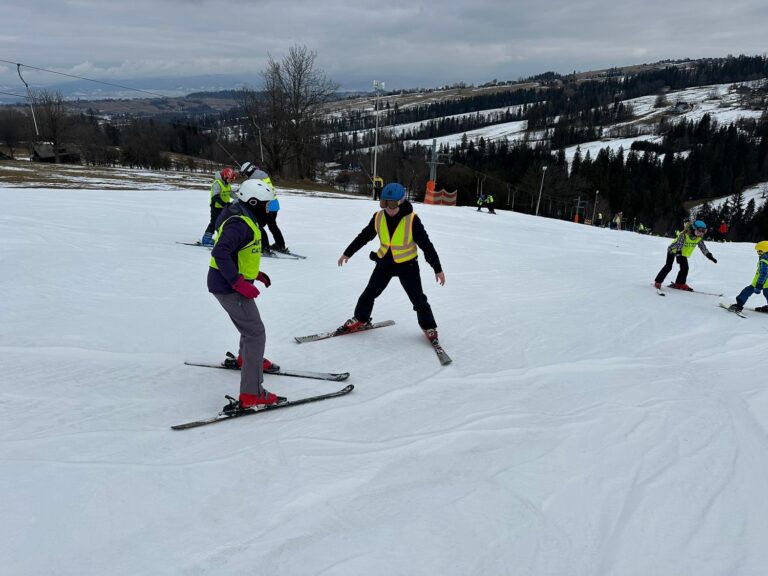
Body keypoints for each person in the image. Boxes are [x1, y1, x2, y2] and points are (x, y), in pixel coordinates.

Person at [207, 178, 285, 411]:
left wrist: (255, 274)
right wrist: (238, 282)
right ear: (253, 202)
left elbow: (239, 253)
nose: (268, 210)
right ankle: (252, 393)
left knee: (248, 327)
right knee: (255, 332)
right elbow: (221, 253)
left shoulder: (244, 217)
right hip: (228, 287)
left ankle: (245, 359)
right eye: (266, 206)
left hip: (228, 284)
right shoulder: (239, 223)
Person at [337, 182, 446, 344]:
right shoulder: (378, 217)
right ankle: (360, 319)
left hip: (407, 266)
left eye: (392, 203)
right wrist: (348, 252)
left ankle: (429, 327)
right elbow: (364, 236)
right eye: (384, 203)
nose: (388, 207)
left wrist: (437, 269)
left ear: (401, 201)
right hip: (384, 265)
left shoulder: (412, 220)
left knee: (418, 300)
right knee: (368, 294)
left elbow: (427, 246)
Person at [240, 162, 290, 254]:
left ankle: (264, 247)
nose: (245, 176)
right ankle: (280, 245)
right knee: (272, 225)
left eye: (245, 174)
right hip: (274, 203)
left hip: (265, 205)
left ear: (249, 170)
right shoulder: (261, 174)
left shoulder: (254, 178)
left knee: (258, 225)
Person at [653, 219, 717, 291]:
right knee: (668, 266)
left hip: (682, 253)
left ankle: (680, 283)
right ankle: (658, 281)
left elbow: (703, 247)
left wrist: (709, 255)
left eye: (703, 231)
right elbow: (679, 244)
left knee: (685, 268)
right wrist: (678, 253)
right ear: (693, 228)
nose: (700, 233)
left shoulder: (699, 238)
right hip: (673, 250)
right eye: (699, 230)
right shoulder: (684, 234)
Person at [727, 241, 768, 313]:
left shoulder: (764, 260)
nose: (758, 253)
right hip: (763, 283)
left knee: (747, 291)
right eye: (758, 252)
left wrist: (759, 285)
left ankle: (738, 306)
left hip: (760, 282)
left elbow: (763, 273)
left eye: (760, 252)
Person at [201, 167, 236, 247]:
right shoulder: (217, 183)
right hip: (216, 207)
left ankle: (221, 238)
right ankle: (206, 239)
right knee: (214, 222)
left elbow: (230, 193)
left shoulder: (227, 184)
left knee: (223, 223)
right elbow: (215, 196)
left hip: (224, 207)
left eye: (231, 180)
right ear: (225, 176)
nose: (230, 181)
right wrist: (224, 204)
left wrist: (239, 198)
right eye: (229, 179)